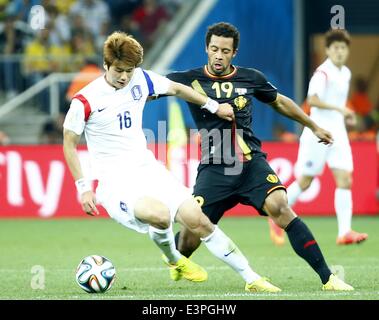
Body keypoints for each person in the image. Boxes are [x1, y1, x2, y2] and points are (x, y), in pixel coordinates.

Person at [63, 31, 283, 293]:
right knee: (160, 215)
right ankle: (174, 260)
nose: (124, 77)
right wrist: (83, 187)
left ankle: (252, 278)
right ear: (106, 65)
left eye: (129, 71)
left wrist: (213, 106)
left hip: (148, 170)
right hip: (115, 185)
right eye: (119, 70)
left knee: (198, 220)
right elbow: (69, 143)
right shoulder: (85, 101)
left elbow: (178, 88)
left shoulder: (141, 79)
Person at [163, 22, 353, 291]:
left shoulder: (250, 78)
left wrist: (313, 125)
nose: (219, 55)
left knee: (281, 207)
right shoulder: (188, 79)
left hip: (251, 163)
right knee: (190, 237)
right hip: (216, 169)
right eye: (214, 49)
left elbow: (281, 102)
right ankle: (177, 260)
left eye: (225, 51)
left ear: (234, 53)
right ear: (206, 48)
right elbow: (150, 86)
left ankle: (328, 278)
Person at [285, 29, 368, 245]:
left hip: (338, 134)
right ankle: (277, 214)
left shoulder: (346, 73)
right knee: (305, 182)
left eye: (343, 48)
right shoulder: (322, 73)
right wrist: (341, 110)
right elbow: (311, 100)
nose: (339, 52)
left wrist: (345, 116)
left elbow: (337, 103)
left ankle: (344, 232)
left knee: (345, 180)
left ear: (347, 50)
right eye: (335, 48)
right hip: (318, 133)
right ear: (328, 50)